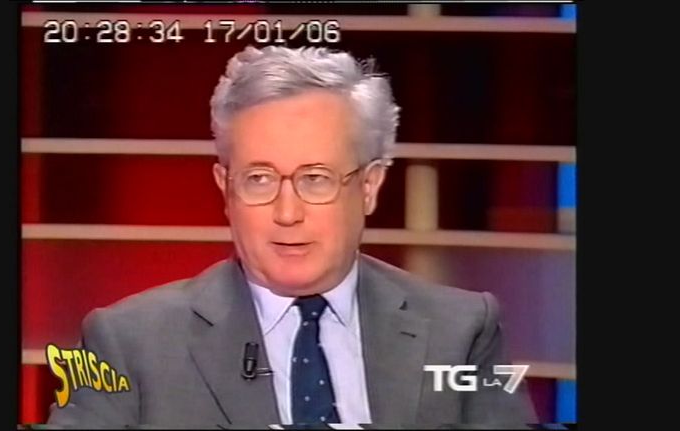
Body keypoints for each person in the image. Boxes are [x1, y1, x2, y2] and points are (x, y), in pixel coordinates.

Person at [46, 45, 537, 428]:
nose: (286, 213)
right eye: (259, 179)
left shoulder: (462, 332)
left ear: (369, 187)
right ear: (225, 188)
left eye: (316, 179)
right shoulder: (128, 343)